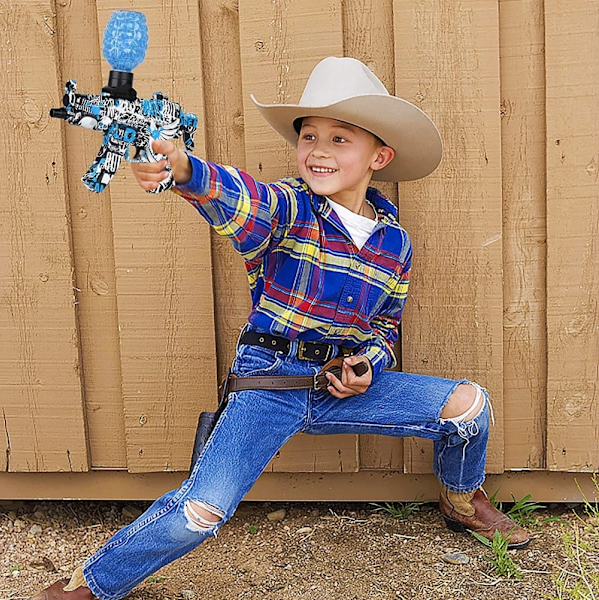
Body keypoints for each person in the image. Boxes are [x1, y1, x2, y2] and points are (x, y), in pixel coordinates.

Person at [31, 56, 529, 600]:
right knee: (198, 513)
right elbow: (239, 197)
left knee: (469, 406)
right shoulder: (290, 209)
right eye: (308, 136)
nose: (318, 150)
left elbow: (385, 325)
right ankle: (90, 583)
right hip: (270, 383)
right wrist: (181, 169)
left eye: (340, 139)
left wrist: (368, 365)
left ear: (378, 156)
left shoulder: (395, 245)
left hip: (340, 388)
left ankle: (461, 500)